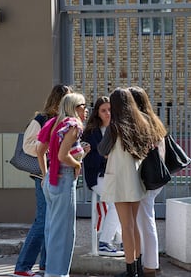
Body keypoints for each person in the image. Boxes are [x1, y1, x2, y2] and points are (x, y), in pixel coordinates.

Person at [13, 84, 72, 277]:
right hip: (43, 175)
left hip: (56, 174)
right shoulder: (42, 119)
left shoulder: (65, 120)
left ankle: (46, 265)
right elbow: (28, 144)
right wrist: (48, 150)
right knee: (43, 220)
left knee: (52, 221)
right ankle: (23, 266)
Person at [98, 87, 153, 277]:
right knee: (133, 225)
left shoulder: (114, 126)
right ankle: (137, 267)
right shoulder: (142, 122)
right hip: (136, 178)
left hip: (120, 179)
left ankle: (130, 269)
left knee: (126, 225)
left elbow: (102, 149)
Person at [37, 92, 89, 277]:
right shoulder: (73, 125)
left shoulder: (54, 123)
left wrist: (45, 174)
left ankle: (52, 272)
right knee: (64, 233)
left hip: (51, 179)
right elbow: (63, 156)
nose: (86, 109)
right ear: (75, 107)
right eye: (83, 105)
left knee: (53, 230)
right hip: (63, 179)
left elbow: (39, 150)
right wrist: (77, 164)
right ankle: (57, 274)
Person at [128, 86, 167, 277]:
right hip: (155, 179)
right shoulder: (154, 120)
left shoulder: (140, 122)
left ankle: (150, 265)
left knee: (145, 220)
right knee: (145, 219)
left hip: (145, 180)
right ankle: (149, 263)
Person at [82, 96, 124, 257]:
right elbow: (89, 160)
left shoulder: (118, 130)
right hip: (98, 177)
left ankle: (119, 239)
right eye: (103, 110)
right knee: (116, 201)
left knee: (124, 201)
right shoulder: (91, 133)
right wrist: (106, 157)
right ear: (97, 113)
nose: (107, 113)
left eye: (110, 110)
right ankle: (105, 242)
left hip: (116, 176)